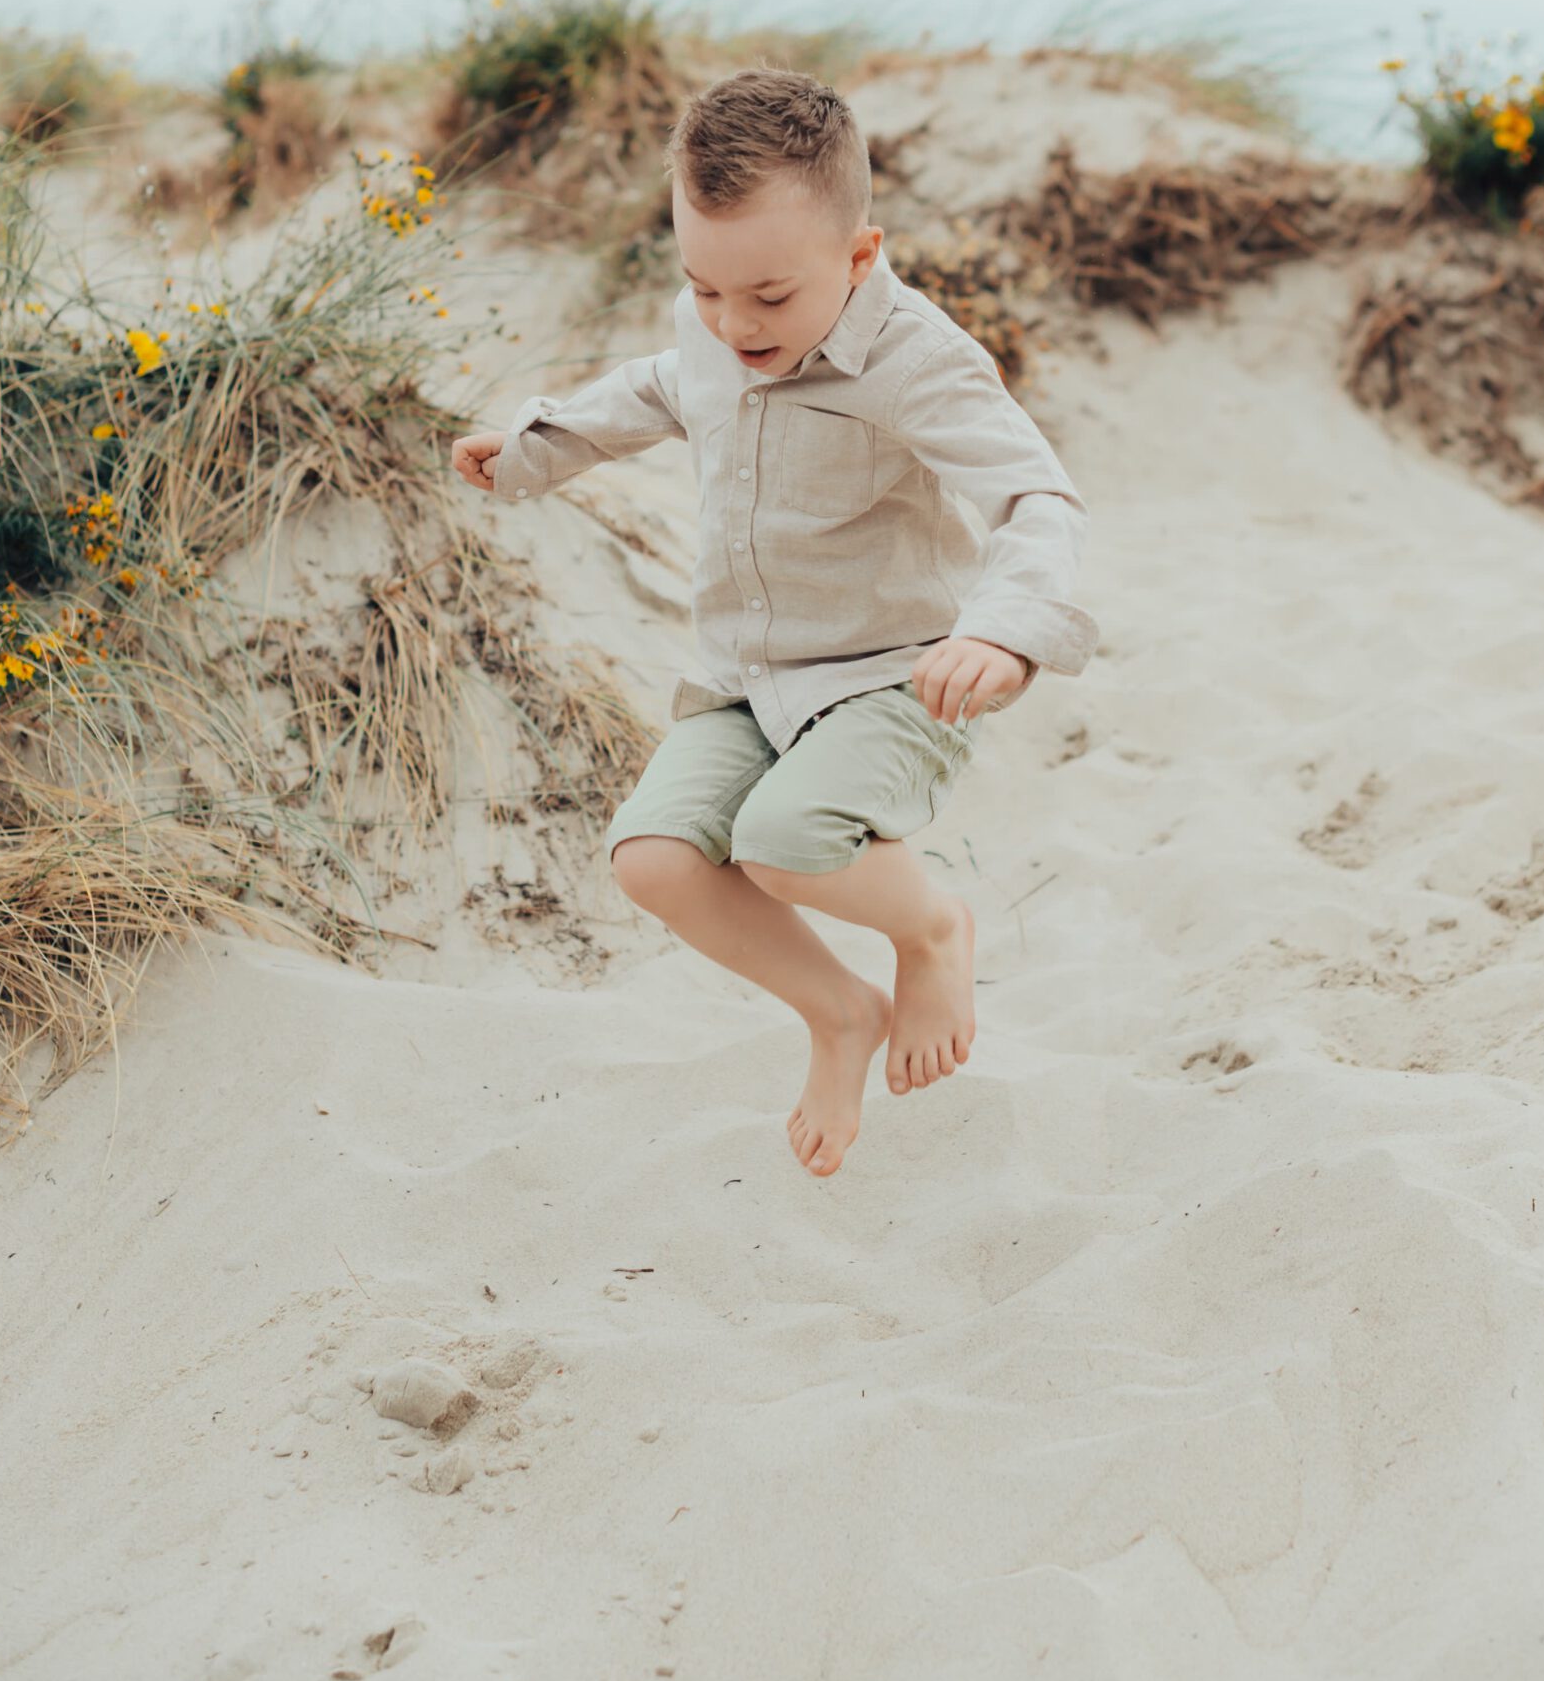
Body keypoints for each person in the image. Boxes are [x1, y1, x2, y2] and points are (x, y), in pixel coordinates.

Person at [451, 68, 1097, 1176]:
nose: (732, 323)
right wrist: (531, 445)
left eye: (767, 296)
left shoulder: (918, 362)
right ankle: (840, 1010)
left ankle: (930, 930)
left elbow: (1033, 496)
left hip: (893, 677)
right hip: (750, 681)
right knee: (653, 859)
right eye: (704, 288)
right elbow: (654, 387)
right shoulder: (711, 324)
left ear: (858, 256)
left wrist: (1001, 630)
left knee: (784, 844)